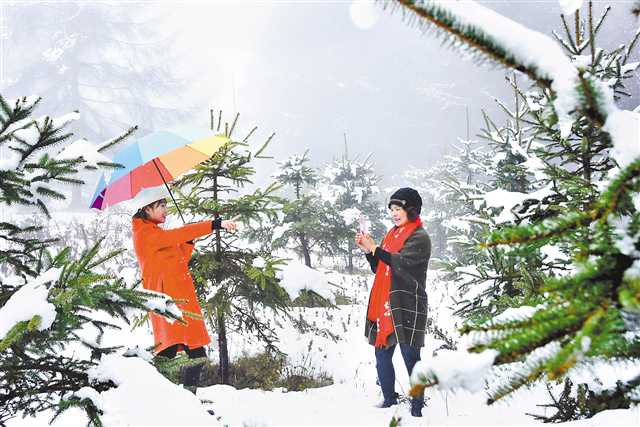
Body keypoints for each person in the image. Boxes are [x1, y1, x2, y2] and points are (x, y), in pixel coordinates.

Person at [131, 187, 237, 393]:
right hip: (167, 302)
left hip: (179, 298)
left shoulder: (155, 232)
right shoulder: (144, 233)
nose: (166, 210)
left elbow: (179, 261)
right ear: (147, 209)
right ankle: (153, 395)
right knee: (171, 352)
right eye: (161, 206)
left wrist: (187, 244)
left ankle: (184, 398)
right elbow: (177, 234)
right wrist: (215, 225)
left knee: (190, 351)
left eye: (165, 205)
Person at [355, 187, 431, 417]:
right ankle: (388, 399)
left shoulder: (420, 237)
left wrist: (375, 248)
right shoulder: (392, 233)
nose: (394, 214)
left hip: (407, 302)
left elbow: (401, 264)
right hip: (385, 302)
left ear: (411, 210)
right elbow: (380, 267)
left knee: (410, 356)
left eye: (399, 209)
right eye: (392, 209)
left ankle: (417, 407)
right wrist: (369, 252)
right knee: (382, 354)